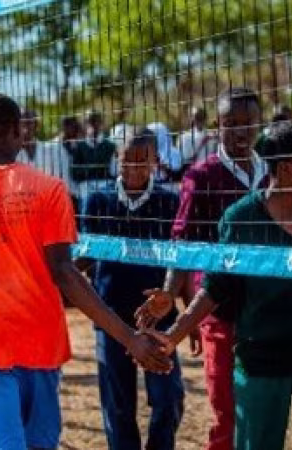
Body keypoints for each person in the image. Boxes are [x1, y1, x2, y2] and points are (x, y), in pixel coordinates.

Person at [0, 93, 172, 450]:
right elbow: (66, 274)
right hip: (40, 338)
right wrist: (129, 337)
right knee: (41, 443)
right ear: (19, 132)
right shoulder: (49, 189)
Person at [140, 122, 292, 450]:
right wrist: (174, 334)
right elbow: (216, 287)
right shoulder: (240, 219)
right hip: (262, 359)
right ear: (286, 168)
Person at [139, 87, 268, 450]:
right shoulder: (202, 175)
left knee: (261, 407)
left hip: (268, 307)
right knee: (225, 409)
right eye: (231, 124)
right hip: (219, 307)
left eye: (248, 123)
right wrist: (170, 292)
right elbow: (182, 243)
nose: (241, 132)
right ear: (217, 126)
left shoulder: (271, 171)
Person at [81, 128, 185, 450]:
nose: (135, 168)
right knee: (118, 405)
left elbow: (178, 258)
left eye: (144, 161)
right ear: (117, 159)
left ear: (156, 162)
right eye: (128, 160)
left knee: (168, 398)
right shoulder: (97, 200)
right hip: (111, 317)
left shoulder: (169, 201)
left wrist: (169, 295)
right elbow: (84, 258)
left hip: (158, 318)